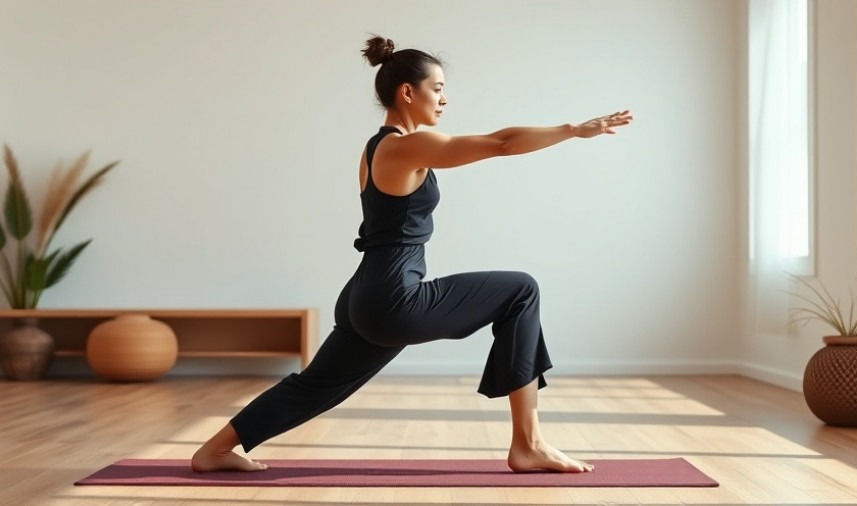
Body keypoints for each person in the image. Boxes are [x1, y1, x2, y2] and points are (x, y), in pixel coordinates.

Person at [191, 35, 633, 474]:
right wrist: (573, 130)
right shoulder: (406, 147)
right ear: (407, 92)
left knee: (316, 385)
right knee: (521, 290)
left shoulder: (376, 148)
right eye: (437, 88)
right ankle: (529, 444)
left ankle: (215, 450)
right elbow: (501, 143)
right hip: (393, 297)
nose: (444, 99)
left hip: (364, 295)